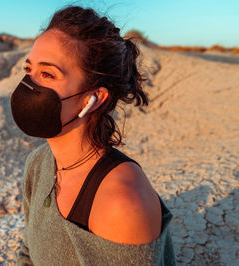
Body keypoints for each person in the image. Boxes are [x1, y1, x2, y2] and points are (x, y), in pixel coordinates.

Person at [11, 5, 176, 266]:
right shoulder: (39, 164)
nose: (30, 85)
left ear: (93, 98)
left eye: (47, 74)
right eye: (28, 69)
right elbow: (29, 252)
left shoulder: (122, 202)